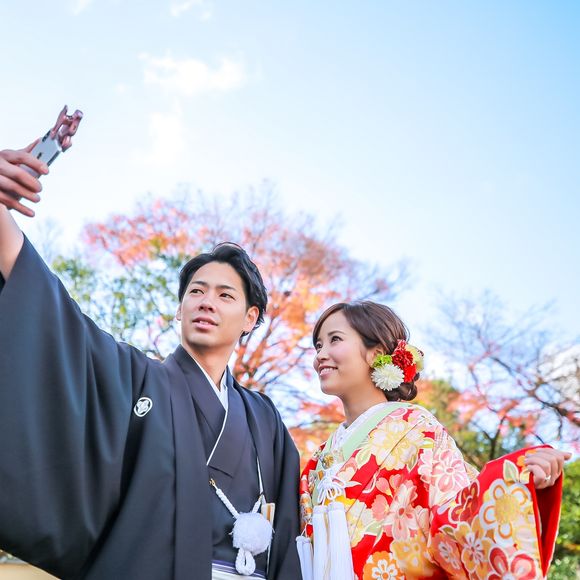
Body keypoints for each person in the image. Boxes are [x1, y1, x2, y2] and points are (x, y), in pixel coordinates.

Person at [0, 143, 302, 580]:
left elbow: (291, 528)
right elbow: (53, 316)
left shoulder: (265, 418)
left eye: (225, 295)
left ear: (250, 318)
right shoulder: (137, 378)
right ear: (179, 309)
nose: (206, 302)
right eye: (196, 291)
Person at [298, 301, 570, 580]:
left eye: (335, 340)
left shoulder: (417, 428)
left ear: (375, 354)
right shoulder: (320, 458)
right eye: (318, 345)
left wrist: (517, 480)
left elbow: (456, 517)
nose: (321, 355)